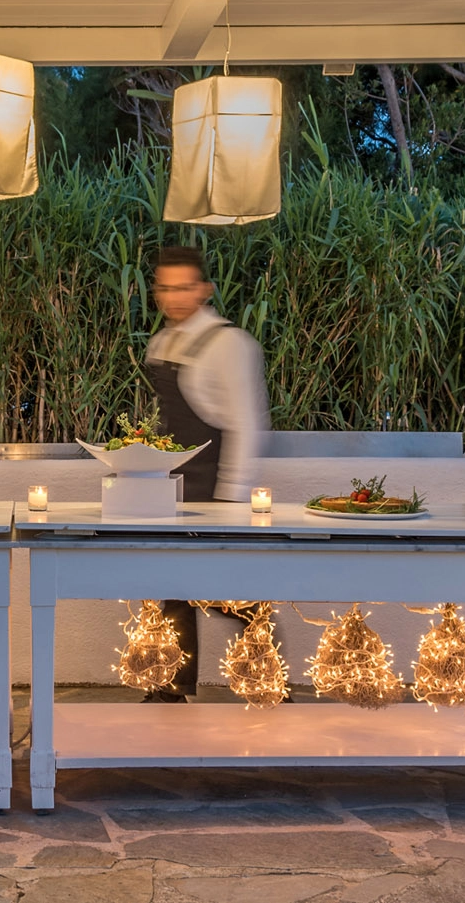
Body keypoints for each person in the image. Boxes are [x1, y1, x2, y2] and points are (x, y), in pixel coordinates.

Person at [144, 244, 270, 702]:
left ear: (205, 289)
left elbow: (247, 425)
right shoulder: (162, 342)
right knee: (172, 588)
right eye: (165, 288)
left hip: (213, 484)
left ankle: (267, 684)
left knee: (232, 593)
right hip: (171, 483)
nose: (174, 297)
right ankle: (172, 688)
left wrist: (230, 498)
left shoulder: (229, 344)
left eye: (184, 288)